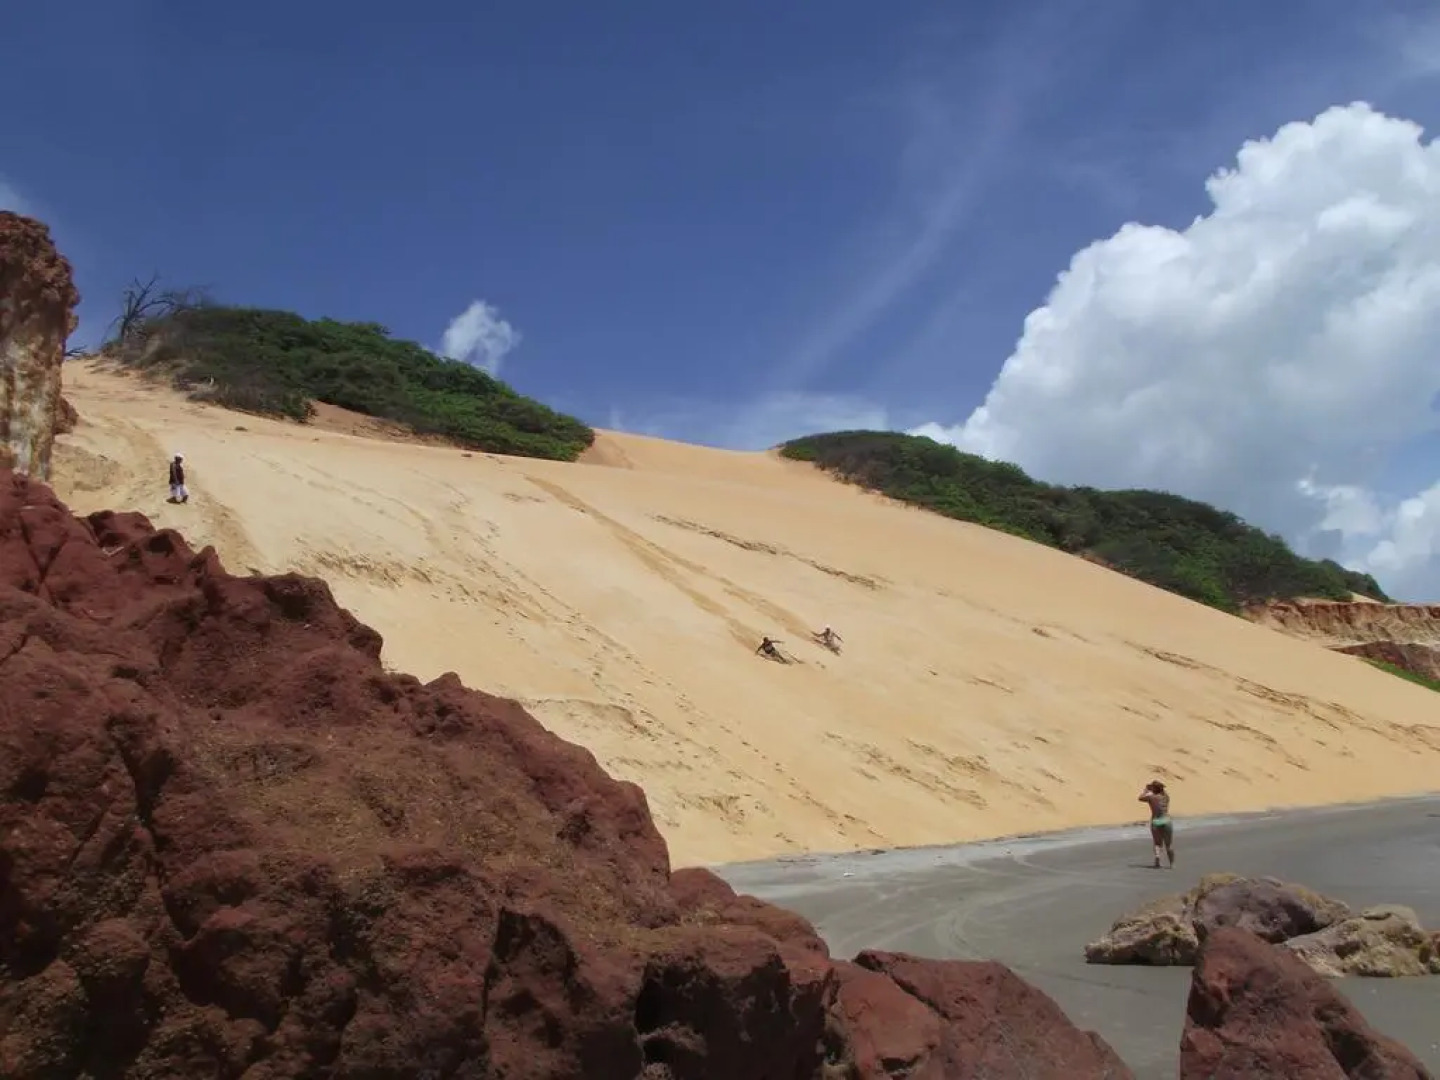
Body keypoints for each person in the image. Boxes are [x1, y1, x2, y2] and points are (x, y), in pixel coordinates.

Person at [1139, 780, 1174, 869]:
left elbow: (1140, 798)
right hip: (1166, 819)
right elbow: (1163, 792)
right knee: (1168, 844)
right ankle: (1172, 864)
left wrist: (1146, 790)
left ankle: (1157, 859)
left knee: (1157, 843)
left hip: (1156, 820)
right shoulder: (1166, 797)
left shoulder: (1151, 797)